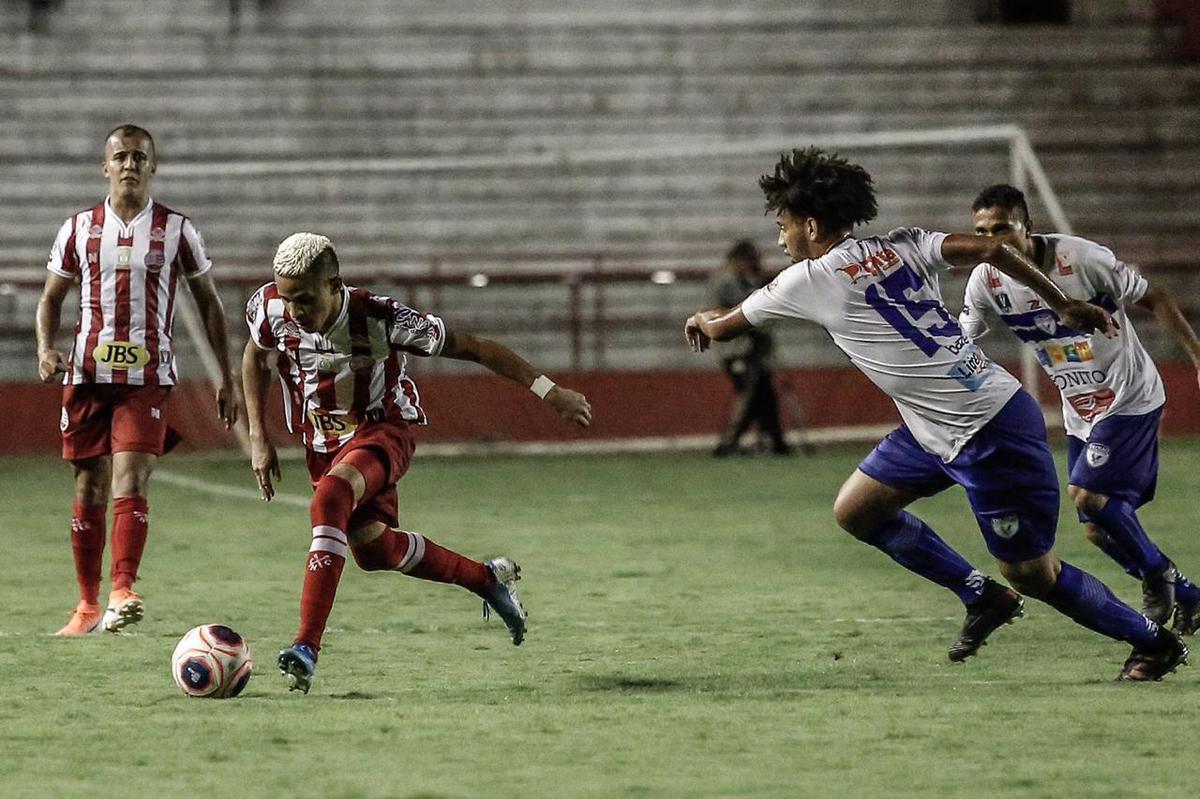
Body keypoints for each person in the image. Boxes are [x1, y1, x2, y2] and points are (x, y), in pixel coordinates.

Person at [684, 148, 1187, 681]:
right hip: (937, 425)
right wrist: (1060, 301)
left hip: (989, 431)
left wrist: (699, 317)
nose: (780, 240)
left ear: (810, 225)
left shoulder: (806, 281)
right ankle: (982, 598)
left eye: (783, 227)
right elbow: (994, 249)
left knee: (1035, 575)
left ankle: (1153, 643)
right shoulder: (903, 242)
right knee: (857, 510)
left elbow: (723, 327)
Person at [243, 232, 592, 694]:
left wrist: (551, 392)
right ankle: (486, 579)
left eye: (304, 300)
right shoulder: (269, 307)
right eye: (287, 299)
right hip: (321, 443)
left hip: (382, 431)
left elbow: (475, 347)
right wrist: (257, 435)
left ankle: (305, 648)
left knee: (331, 500)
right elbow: (255, 355)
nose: (293, 311)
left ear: (334, 285)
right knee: (373, 551)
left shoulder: (382, 318)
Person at [959, 183, 1200, 635]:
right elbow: (964, 337)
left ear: (1026, 227)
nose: (992, 240)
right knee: (1096, 529)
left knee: (1090, 497)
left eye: (1002, 228)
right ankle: (1187, 593)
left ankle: (1158, 574)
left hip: (1129, 395)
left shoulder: (1082, 259)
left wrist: (1197, 357)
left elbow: (1156, 298)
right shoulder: (985, 280)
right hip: (1080, 409)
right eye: (981, 230)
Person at [36, 124, 238, 636]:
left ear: (153, 166)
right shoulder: (79, 229)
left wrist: (226, 375)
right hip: (85, 374)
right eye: (120, 156)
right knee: (90, 482)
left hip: (147, 377)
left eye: (138, 157)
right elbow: (51, 299)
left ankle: (122, 591)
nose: (129, 164)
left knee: (132, 475)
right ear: (105, 167)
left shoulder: (177, 230)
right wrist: (44, 349)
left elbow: (208, 304)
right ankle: (86, 606)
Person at [710, 240, 791, 457]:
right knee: (749, 395)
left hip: (750, 349)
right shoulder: (726, 281)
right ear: (740, 260)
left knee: (763, 395)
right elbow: (747, 308)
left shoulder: (739, 279)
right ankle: (730, 442)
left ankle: (773, 440)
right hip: (737, 350)